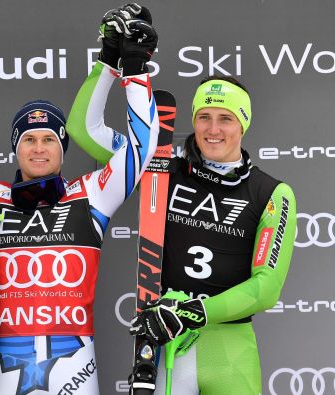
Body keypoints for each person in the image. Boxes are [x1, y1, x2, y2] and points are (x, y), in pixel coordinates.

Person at [68, 5, 297, 394]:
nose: (212, 129)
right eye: (204, 116)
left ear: (243, 124)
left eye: (225, 118)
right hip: (166, 347)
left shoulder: (271, 192)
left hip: (229, 350)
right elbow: (84, 130)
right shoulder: (161, 169)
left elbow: (265, 288)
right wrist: (109, 59)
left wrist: (196, 311)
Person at [0, 8, 159, 394]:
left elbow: (141, 147)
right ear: (15, 150)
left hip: (75, 368)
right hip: (2, 367)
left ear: (63, 150)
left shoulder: (91, 193)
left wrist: (132, 70)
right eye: (28, 139)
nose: (38, 148)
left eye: (49, 138)